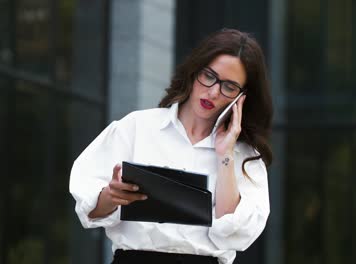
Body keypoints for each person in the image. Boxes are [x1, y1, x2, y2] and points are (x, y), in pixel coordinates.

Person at [69, 28, 273, 264]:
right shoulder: (137, 127)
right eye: (209, 76)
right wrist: (111, 195)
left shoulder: (246, 156)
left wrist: (225, 154)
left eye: (229, 87)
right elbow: (88, 208)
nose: (214, 91)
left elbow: (233, 233)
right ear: (195, 70)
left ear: (242, 97)